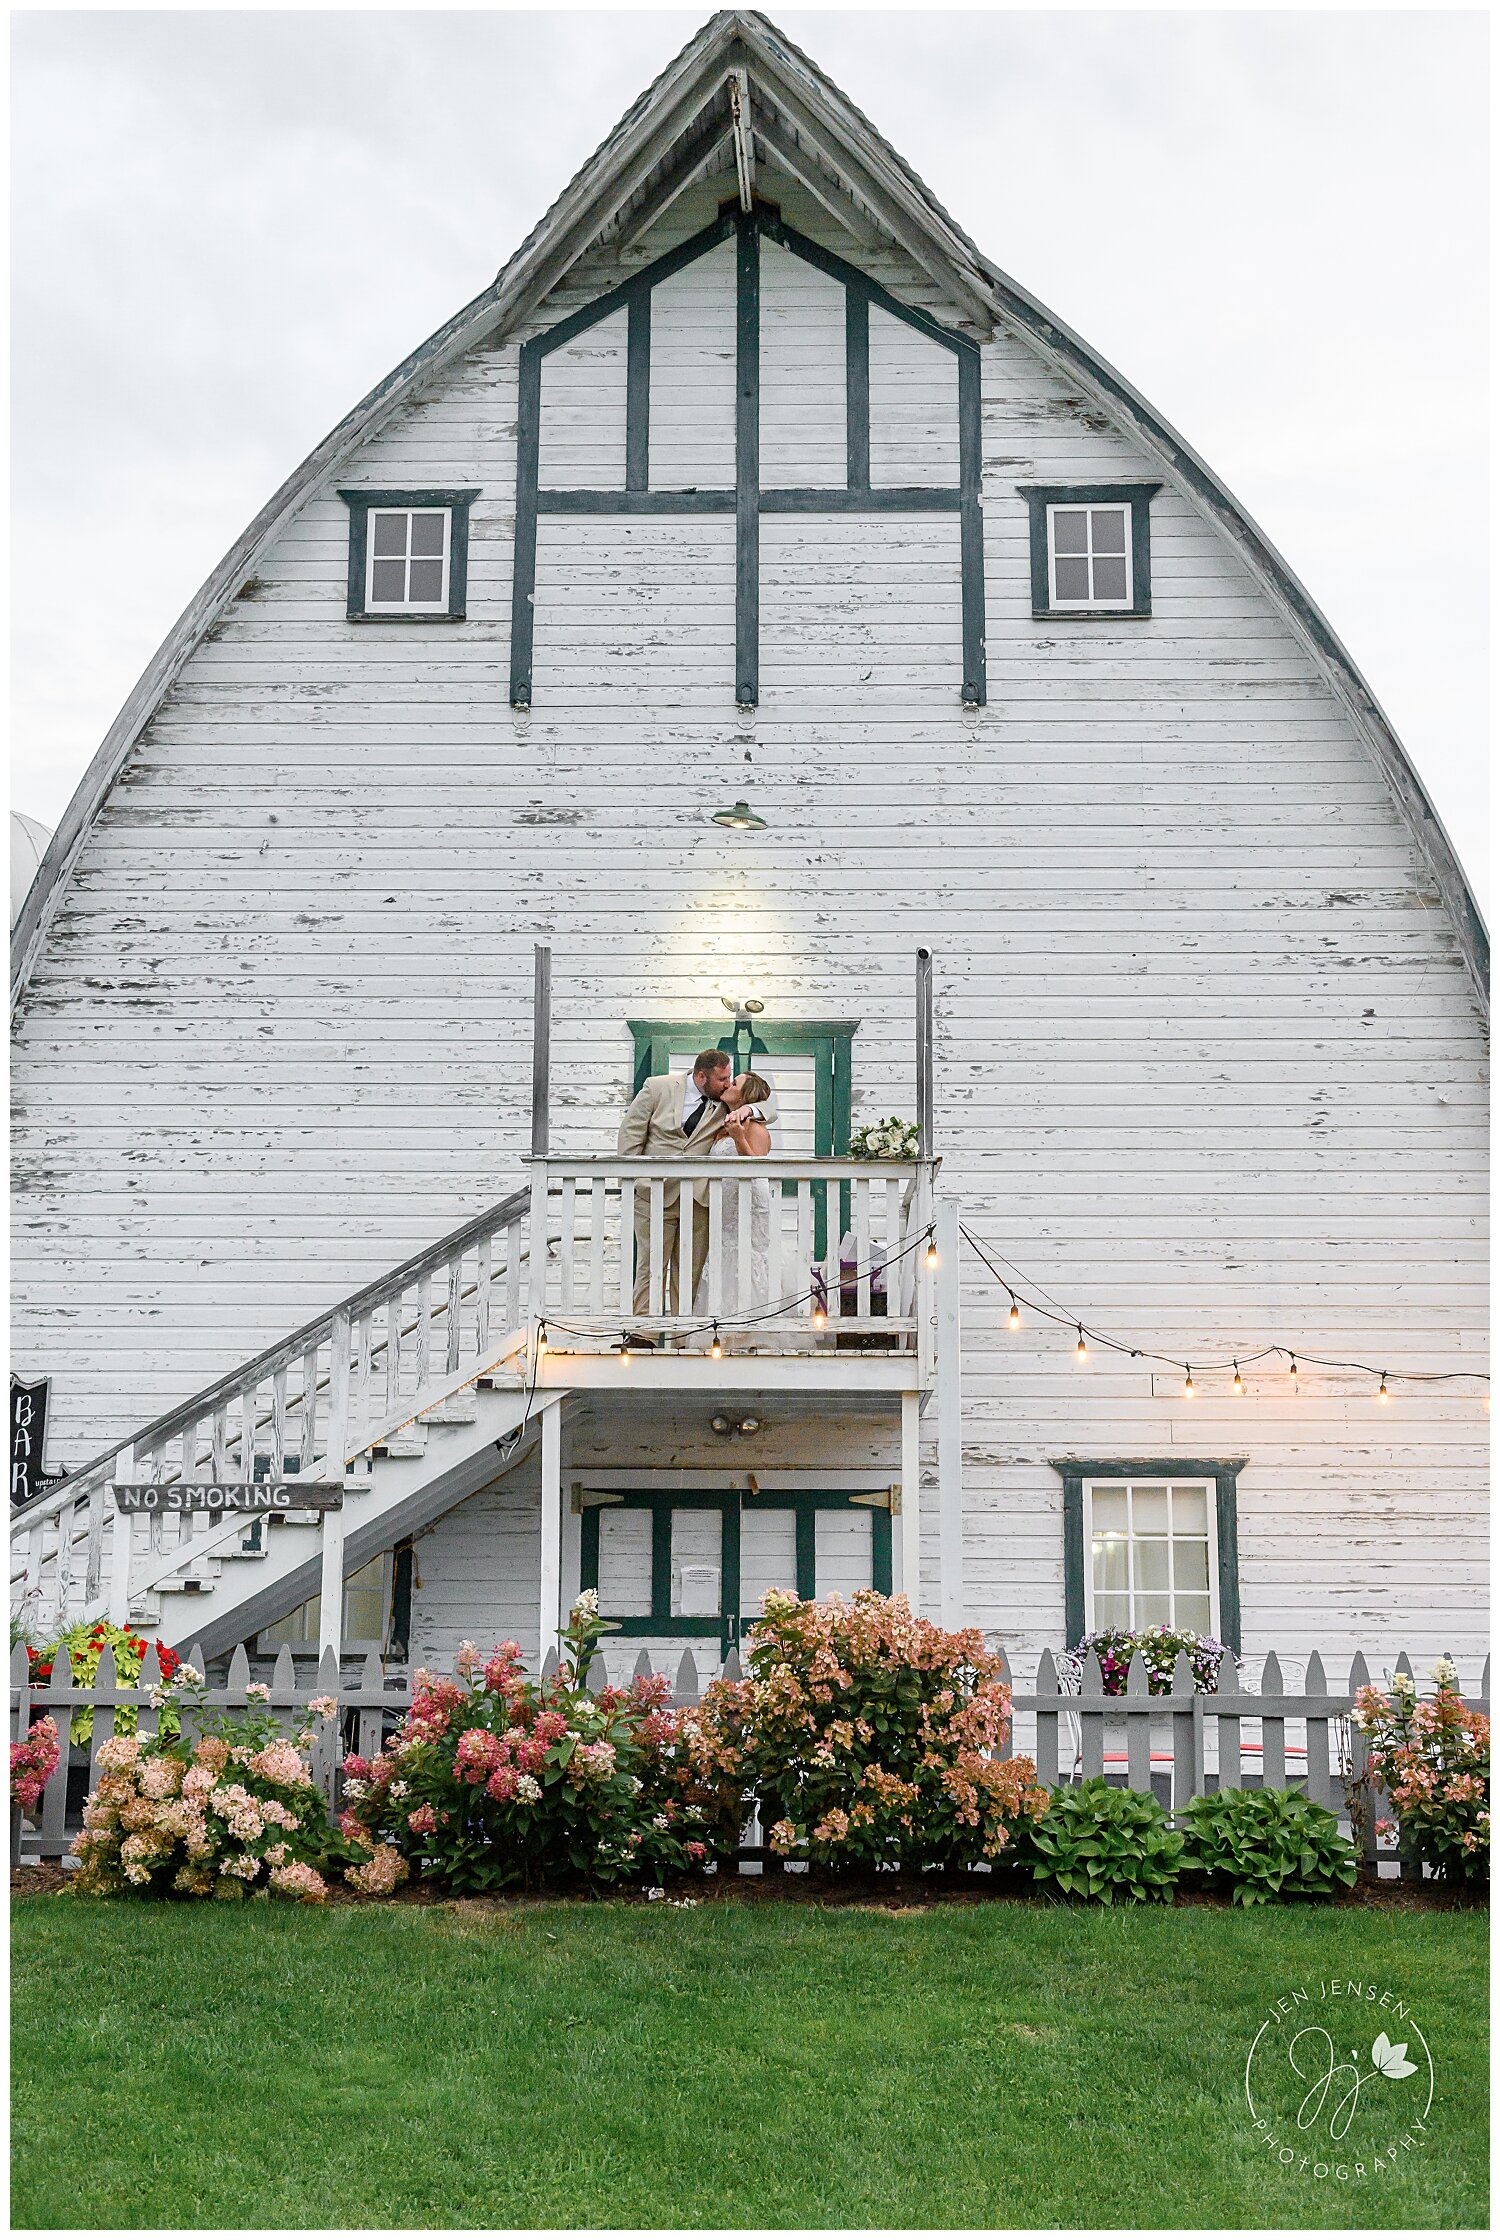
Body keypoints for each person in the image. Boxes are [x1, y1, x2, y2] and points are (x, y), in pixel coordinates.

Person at [616, 1048, 732, 1336]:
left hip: (697, 1199)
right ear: (701, 1076)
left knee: (689, 1273)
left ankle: (684, 1336)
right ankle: (642, 1334)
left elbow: (767, 1108)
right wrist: (635, 1183)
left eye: (729, 1078)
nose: (727, 1084)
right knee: (650, 1266)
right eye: (721, 1079)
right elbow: (631, 1133)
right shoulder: (658, 1087)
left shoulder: (726, 1101)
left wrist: (749, 1109)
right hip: (653, 1194)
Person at [691, 1072, 774, 1349]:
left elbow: (755, 1168)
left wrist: (739, 1138)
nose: (728, 1084)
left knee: (747, 1259)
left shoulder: (756, 1127)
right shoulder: (720, 1123)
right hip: (724, 1208)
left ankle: (749, 1334)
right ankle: (722, 1330)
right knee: (724, 1259)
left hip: (748, 1205)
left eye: (734, 1083)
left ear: (746, 1096)